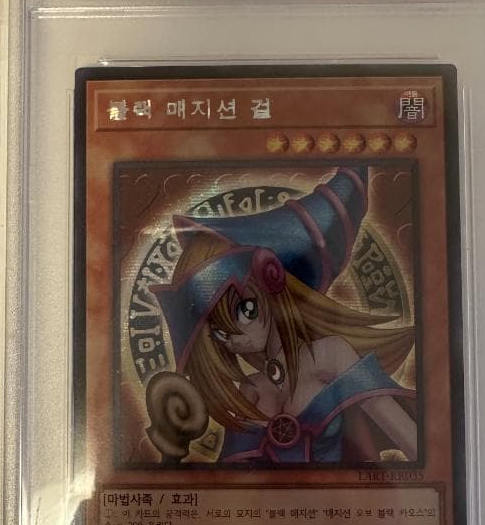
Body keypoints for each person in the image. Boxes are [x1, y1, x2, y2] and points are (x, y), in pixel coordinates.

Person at [150, 166, 418, 463]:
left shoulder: (331, 355)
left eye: (245, 310)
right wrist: (171, 454)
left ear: (271, 283)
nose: (234, 338)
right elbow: (232, 480)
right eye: (219, 330)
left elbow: (411, 441)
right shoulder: (251, 389)